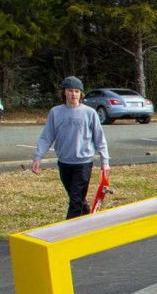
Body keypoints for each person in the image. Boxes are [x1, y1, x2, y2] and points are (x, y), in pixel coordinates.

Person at [31, 76, 110, 219]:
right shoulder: (56, 112)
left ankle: (67, 232)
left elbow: (99, 138)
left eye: (76, 91)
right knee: (78, 199)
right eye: (70, 91)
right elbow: (47, 136)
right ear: (64, 93)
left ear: (81, 94)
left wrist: (105, 162)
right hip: (64, 163)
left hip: (83, 164)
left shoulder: (89, 113)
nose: (73, 94)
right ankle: (90, 221)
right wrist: (38, 157)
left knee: (75, 200)